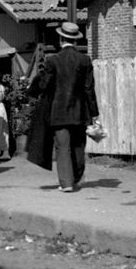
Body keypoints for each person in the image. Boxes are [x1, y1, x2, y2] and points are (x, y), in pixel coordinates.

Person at [32, 22, 99, 191]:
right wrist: (94, 113)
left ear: (61, 39)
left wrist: (33, 87)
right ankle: (76, 179)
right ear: (75, 41)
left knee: (62, 146)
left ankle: (66, 183)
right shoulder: (85, 60)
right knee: (78, 146)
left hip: (58, 112)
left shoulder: (53, 60)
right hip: (80, 111)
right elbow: (89, 89)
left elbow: (44, 84)